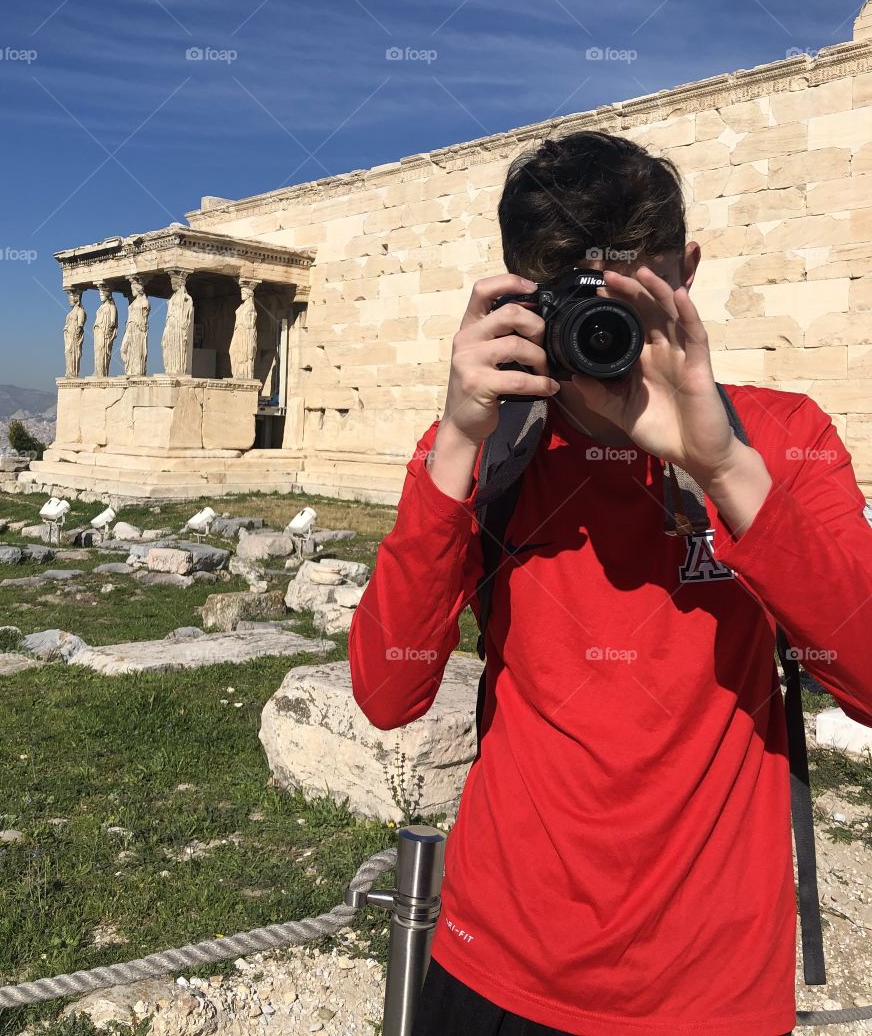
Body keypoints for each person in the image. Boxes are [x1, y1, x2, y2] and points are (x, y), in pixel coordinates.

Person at [347, 130, 872, 1036]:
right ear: (517, 298)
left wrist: (723, 469)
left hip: (710, 988)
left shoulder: (780, 441)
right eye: (575, 304)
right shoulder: (487, 457)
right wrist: (460, 442)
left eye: (632, 298)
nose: (606, 337)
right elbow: (390, 695)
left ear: (689, 274)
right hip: (496, 962)